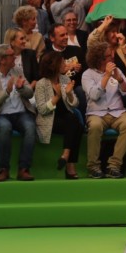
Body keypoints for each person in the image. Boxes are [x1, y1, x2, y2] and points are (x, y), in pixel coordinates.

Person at [0, 43, 37, 182]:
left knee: (30, 126)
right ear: (2, 59)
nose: (15, 57)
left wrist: (21, 88)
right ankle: (3, 169)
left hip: (20, 112)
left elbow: (29, 93)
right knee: (5, 127)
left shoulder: (17, 70)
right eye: (11, 55)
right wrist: (6, 92)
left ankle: (24, 169)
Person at [81, 39, 126, 178]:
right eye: (109, 56)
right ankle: (93, 166)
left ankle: (114, 166)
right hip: (96, 113)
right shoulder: (87, 75)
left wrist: (120, 80)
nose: (113, 57)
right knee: (95, 126)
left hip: (117, 111)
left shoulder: (117, 70)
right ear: (100, 59)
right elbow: (94, 95)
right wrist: (106, 76)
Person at [32, 51, 82, 179]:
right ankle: (70, 165)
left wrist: (70, 94)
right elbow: (42, 110)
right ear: (54, 65)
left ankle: (66, 155)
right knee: (76, 124)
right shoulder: (41, 84)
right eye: (62, 62)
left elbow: (75, 104)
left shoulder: (65, 79)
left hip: (66, 118)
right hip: (49, 120)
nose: (65, 64)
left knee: (74, 120)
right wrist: (57, 97)